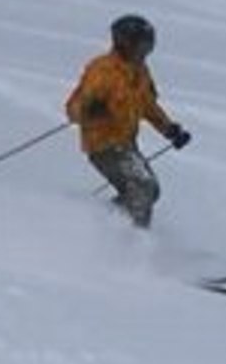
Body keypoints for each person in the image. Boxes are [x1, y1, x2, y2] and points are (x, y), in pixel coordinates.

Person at [65, 14, 191, 228]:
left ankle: (103, 223)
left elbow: (148, 106)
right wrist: (89, 110)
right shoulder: (102, 71)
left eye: (148, 48)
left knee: (150, 191)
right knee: (143, 186)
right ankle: (133, 239)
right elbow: (73, 109)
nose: (144, 53)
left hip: (126, 143)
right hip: (103, 144)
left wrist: (169, 129)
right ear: (125, 43)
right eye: (141, 47)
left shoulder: (140, 71)